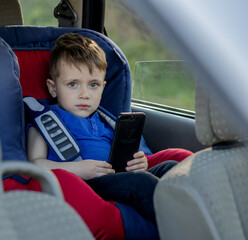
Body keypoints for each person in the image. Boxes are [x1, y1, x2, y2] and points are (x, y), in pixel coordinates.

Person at [26, 33, 192, 224]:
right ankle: (183, 227)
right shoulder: (47, 121)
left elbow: (124, 157)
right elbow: (35, 165)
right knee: (142, 183)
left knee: (171, 169)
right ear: (53, 88)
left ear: (103, 88)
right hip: (88, 186)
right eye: (73, 84)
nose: (85, 94)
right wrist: (79, 169)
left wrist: (139, 163)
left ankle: (200, 219)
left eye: (93, 85)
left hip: (118, 177)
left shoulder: (106, 121)